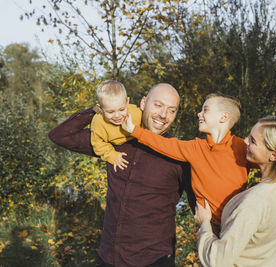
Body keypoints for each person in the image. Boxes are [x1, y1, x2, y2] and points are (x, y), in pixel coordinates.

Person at [48, 83, 195, 267]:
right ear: (142, 103)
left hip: (154, 260)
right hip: (110, 258)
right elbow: (60, 136)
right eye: (158, 105)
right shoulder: (114, 139)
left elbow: (199, 204)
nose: (163, 115)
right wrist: (99, 110)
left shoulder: (179, 154)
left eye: (171, 110)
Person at [122, 93, 257, 234]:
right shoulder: (195, 148)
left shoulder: (241, 147)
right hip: (210, 226)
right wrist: (133, 130)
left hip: (238, 221)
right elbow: (164, 144)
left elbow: (269, 166)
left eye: (205, 110)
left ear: (224, 117)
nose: (199, 114)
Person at [194, 116, 276, 267]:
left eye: (253, 141)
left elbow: (218, 261)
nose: (245, 142)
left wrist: (205, 225)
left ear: (274, 155)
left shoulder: (256, 200)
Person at [91, 80, 142, 172]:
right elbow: (98, 144)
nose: (117, 116)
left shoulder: (136, 113)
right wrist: (112, 155)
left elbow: (148, 125)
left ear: (127, 102)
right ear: (101, 108)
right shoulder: (99, 122)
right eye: (110, 112)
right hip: (118, 147)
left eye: (122, 109)